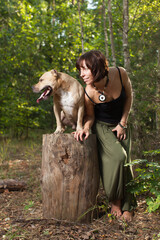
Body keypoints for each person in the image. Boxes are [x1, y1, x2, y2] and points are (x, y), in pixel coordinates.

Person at [73, 50, 137, 222]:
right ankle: (115, 202)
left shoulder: (120, 73)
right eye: (80, 70)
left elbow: (129, 97)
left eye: (85, 69)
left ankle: (128, 206)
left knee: (127, 163)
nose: (82, 74)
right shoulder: (89, 91)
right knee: (117, 158)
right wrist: (85, 128)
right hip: (102, 127)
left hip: (122, 124)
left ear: (97, 67)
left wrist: (123, 123)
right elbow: (91, 116)